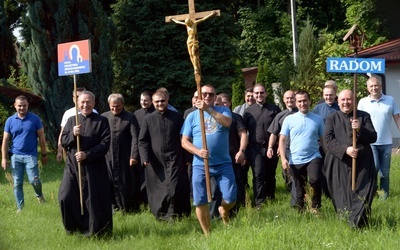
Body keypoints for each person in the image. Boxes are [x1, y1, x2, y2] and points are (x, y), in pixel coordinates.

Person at [181, 84, 237, 235]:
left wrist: (208, 109)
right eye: (204, 94)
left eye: (210, 94)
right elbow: (184, 141)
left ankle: (223, 209)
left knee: (231, 198)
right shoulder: (192, 116)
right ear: (198, 96)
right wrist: (198, 151)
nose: (207, 97)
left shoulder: (223, 110)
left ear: (215, 97)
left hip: (223, 162)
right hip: (200, 163)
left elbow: (227, 123)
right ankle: (207, 234)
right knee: (200, 201)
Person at [59, 91, 112, 237]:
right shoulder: (71, 120)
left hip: (93, 167)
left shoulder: (102, 121)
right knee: (66, 196)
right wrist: (72, 134)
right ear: (77, 103)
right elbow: (63, 141)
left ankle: (93, 230)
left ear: (94, 103)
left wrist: (87, 154)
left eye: (88, 102)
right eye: (82, 102)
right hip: (73, 166)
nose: (85, 105)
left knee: (92, 199)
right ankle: (73, 228)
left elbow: (105, 143)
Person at [324, 89, 377, 228]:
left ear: (354, 101)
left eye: (349, 99)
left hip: (363, 163)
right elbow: (328, 140)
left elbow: (373, 137)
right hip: (339, 162)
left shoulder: (364, 116)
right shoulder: (332, 118)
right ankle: (346, 221)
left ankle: (360, 222)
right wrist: (345, 149)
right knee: (341, 192)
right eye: (343, 100)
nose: (346, 102)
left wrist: (360, 129)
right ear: (338, 101)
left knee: (363, 191)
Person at [138, 91, 191, 220]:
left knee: (175, 186)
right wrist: (145, 158)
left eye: (162, 101)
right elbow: (142, 140)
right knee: (160, 189)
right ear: (153, 102)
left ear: (167, 100)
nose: (160, 104)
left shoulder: (177, 117)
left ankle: (177, 213)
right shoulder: (148, 119)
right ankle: (163, 214)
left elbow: (184, 138)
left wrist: (187, 158)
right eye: (157, 102)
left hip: (175, 158)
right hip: (156, 161)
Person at [279, 91, 324, 212]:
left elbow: (323, 140)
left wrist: (328, 156)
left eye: (305, 100)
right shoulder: (289, 119)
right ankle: (301, 211)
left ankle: (315, 208)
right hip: (295, 159)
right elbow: (282, 139)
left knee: (315, 180)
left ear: (309, 101)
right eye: (299, 101)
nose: (302, 103)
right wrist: (283, 159)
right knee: (299, 188)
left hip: (314, 156)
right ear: (295, 102)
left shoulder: (318, 119)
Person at [1, 95, 47, 212]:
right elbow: (5, 140)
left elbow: (41, 137)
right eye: (19, 106)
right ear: (15, 106)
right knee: (17, 183)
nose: (22, 108)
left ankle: (39, 195)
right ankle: (20, 208)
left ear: (28, 105)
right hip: (15, 156)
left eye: (24, 106)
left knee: (34, 180)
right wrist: (4, 158)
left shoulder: (35, 119)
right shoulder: (10, 121)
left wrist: (44, 154)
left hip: (31, 155)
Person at [358, 76, 400, 200]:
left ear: (380, 86)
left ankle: (384, 197)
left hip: (387, 142)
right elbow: (359, 122)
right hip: (370, 143)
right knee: (374, 169)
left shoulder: (390, 100)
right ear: (367, 88)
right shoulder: (363, 102)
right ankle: (371, 193)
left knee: (385, 173)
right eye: (371, 86)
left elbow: (397, 118)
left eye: (376, 85)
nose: (374, 88)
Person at [243, 84, 281, 209]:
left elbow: (280, 129)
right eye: (257, 93)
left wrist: (279, 145)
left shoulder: (274, 109)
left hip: (272, 147)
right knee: (258, 174)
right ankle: (259, 201)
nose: (259, 95)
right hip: (255, 148)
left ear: (266, 94)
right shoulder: (248, 111)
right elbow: (243, 131)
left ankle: (271, 197)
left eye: (261, 92)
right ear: (253, 95)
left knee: (270, 173)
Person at [102, 93, 140, 213]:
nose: (114, 109)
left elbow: (135, 138)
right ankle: (112, 205)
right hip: (108, 155)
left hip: (124, 155)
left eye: (117, 106)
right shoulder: (104, 117)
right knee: (109, 180)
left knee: (125, 181)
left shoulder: (130, 117)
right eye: (112, 107)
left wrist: (134, 155)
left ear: (122, 104)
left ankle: (127, 207)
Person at [267, 90, 298, 192]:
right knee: (287, 173)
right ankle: (291, 192)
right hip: (286, 149)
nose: (289, 100)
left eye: (291, 97)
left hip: (299, 148)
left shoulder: (301, 113)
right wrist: (270, 147)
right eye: (287, 98)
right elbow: (273, 133)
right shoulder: (280, 116)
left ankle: (301, 192)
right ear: (284, 100)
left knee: (299, 173)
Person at [133, 90, 155, 204]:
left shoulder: (155, 113)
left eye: (146, 100)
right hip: (139, 148)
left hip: (152, 149)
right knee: (140, 176)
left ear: (151, 101)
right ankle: (141, 199)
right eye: (141, 100)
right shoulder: (136, 114)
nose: (143, 102)